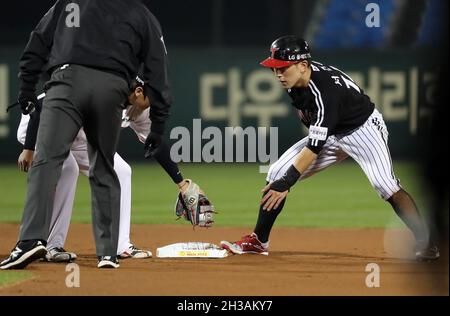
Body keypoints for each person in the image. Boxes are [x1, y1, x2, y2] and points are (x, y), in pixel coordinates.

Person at [221, 35, 440, 261]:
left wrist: (288, 182)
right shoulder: (294, 81)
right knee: (276, 172)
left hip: (362, 130)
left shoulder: (325, 92)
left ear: (303, 65)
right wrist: (283, 178)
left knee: (385, 185)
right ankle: (259, 240)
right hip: (332, 131)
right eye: (274, 68)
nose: (277, 74)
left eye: (282, 68)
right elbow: (315, 128)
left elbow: (314, 147)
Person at [0, 0, 171, 270]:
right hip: (112, 87)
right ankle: (108, 253)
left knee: (49, 162)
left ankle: (31, 241)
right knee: (104, 166)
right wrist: (159, 123)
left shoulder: (69, 2)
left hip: (66, 82)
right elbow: (158, 68)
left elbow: (38, 40)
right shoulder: (140, 13)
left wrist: (26, 87)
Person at [15, 77, 184, 262]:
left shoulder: (140, 107)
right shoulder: (103, 91)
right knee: (69, 168)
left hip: (80, 135)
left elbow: (155, 143)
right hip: (46, 126)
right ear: (138, 92)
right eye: (153, 99)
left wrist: (181, 184)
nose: (154, 104)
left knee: (121, 172)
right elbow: (41, 106)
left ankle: (121, 246)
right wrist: (29, 148)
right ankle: (51, 245)